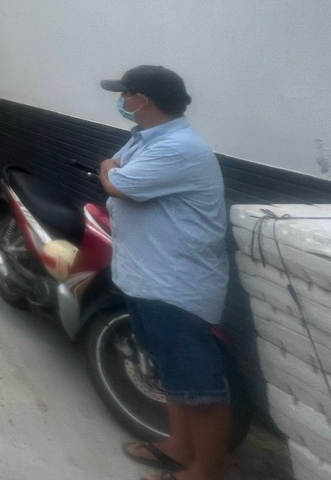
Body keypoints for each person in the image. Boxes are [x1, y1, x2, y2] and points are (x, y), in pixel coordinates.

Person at [97, 65, 230, 480]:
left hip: (176, 287)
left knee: (200, 389)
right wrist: (113, 169)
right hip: (148, 278)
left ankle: (206, 471)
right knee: (171, 374)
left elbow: (117, 183)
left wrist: (108, 169)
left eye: (126, 94)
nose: (122, 101)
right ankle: (178, 446)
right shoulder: (146, 137)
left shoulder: (178, 147)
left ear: (143, 100)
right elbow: (118, 170)